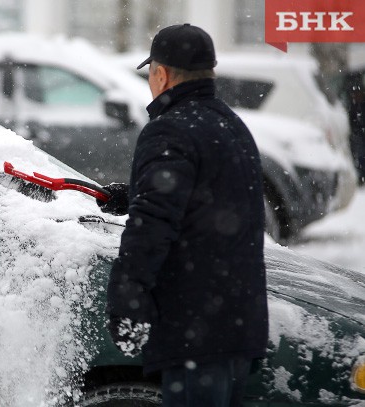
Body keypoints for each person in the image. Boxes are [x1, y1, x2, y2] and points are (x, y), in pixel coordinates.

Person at [98, 24, 268, 407]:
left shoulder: (170, 130)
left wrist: (127, 298)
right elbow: (217, 202)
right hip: (239, 325)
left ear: (162, 74)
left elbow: (152, 226)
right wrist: (135, 194)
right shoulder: (231, 125)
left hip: (195, 330)